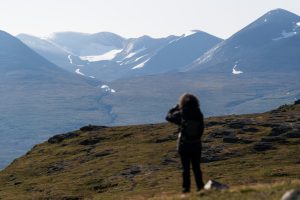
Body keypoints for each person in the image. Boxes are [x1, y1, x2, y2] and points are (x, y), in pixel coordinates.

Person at [166, 93, 204, 193]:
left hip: (184, 145)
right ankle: (200, 188)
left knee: (185, 169)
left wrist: (174, 109)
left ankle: (186, 190)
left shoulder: (182, 113)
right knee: (197, 168)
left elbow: (168, 117)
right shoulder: (199, 114)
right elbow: (201, 130)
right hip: (196, 145)